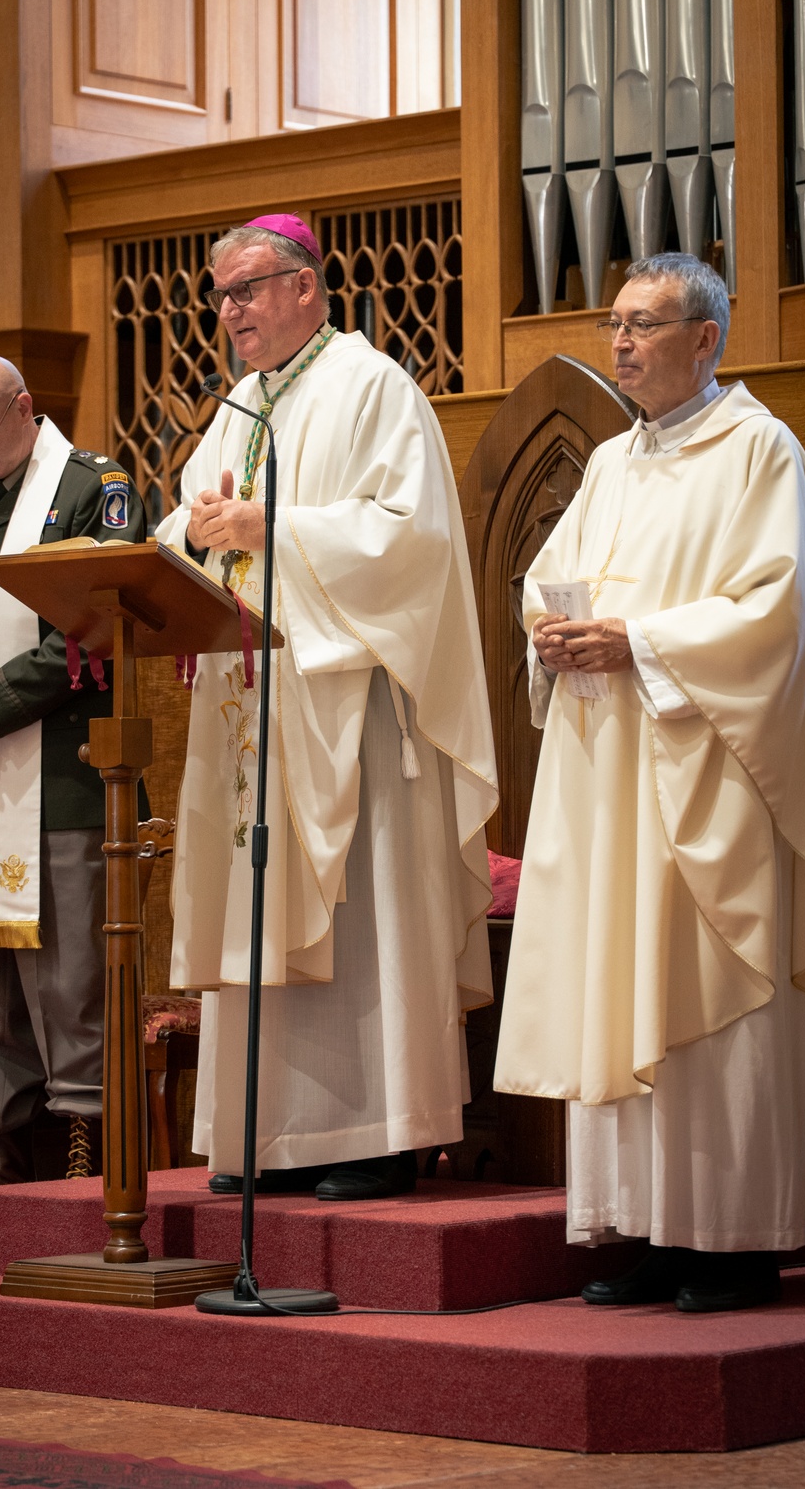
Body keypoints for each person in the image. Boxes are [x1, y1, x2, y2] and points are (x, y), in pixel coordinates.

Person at [493, 252, 805, 1310]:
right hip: (616, 773)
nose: (621, 343)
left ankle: (731, 1240)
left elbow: (778, 613)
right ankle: (647, 1229)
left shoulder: (759, 451)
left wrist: (640, 641)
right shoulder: (615, 463)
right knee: (625, 984)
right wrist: (552, 629)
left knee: (706, 993)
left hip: (708, 771)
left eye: (642, 324)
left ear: (706, 339)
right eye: (616, 324)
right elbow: (554, 574)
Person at [155, 214, 497, 1199]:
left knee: (361, 914)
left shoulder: (373, 387)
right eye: (220, 295)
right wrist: (197, 539)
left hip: (352, 704)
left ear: (306, 286)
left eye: (247, 289)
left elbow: (411, 539)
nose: (229, 312)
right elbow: (190, 517)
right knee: (253, 909)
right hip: (253, 702)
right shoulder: (237, 406)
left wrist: (268, 526)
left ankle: (378, 1134)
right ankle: (260, 1137)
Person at [0, 354, 147, 1239]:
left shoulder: (94, 489)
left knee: (70, 979)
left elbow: (96, 625)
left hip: (68, 776)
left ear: (25, 408)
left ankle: (85, 1162)